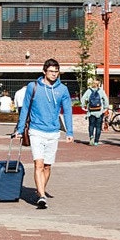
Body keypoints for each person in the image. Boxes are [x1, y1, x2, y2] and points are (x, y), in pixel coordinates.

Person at [12, 59, 74, 210]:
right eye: (51, 71)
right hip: (36, 130)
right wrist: (19, 130)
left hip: (53, 132)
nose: (54, 74)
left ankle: (41, 191)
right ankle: (41, 195)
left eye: (56, 71)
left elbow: (67, 111)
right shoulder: (33, 87)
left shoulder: (62, 90)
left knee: (47, 166)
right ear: (44, 71)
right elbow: (25, 109)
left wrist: (70, 132)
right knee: (38, 164)